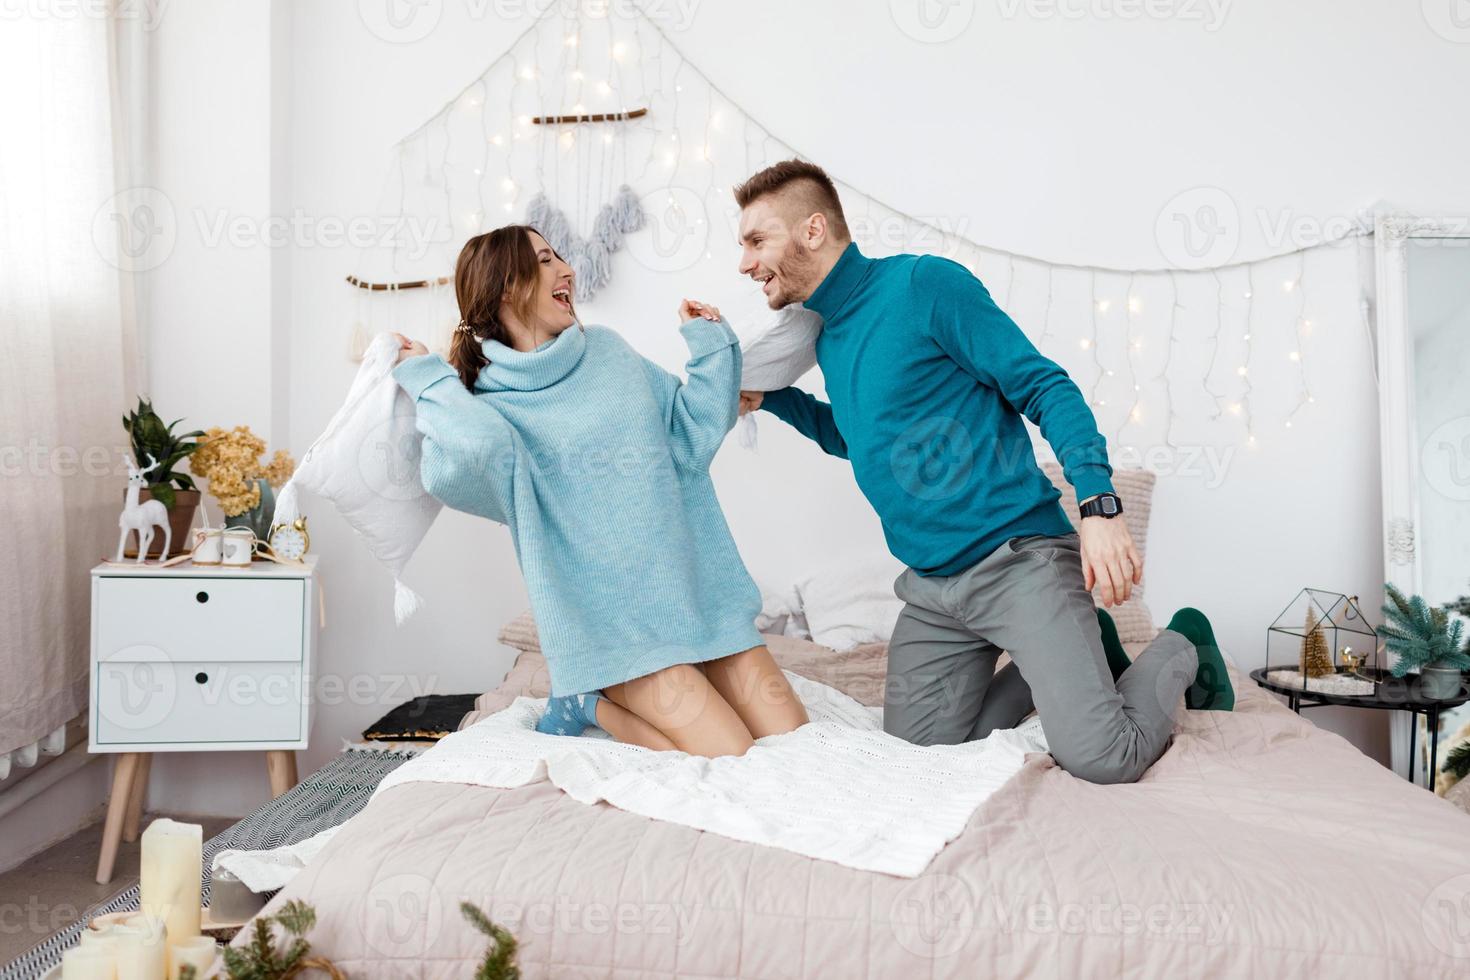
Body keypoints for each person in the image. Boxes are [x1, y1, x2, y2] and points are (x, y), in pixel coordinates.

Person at [733, 160, 1233, 785]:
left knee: (1107, 756)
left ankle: (1184, 641)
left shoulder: (924, 286)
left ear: (811, 230)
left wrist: (1098, 505)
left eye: (757, 241)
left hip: (1019, 563)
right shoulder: (828, 338)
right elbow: (860, 439)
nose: (746, 263)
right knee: (920, 766)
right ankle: (1069, 652)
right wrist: (774, 397)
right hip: (935, 590)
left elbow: (1045, 386)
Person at [392, 224, 809, 758]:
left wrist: (710, 348)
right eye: (544, 261)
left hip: (699, 600)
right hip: (613, 636)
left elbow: (690, 437)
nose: (566, 270)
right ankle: (587, 704)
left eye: (560, 257)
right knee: (731, 756)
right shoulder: (480, 407)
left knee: (800, 746)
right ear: (504, 289)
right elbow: (476, 453)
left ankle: (590, 702)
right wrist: (428, 378)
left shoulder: (608, 352)